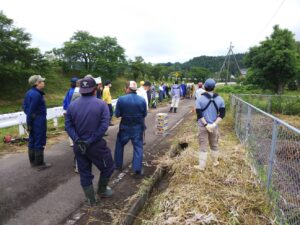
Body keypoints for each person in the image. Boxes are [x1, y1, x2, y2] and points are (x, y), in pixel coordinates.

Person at [65, 77, 114, 206]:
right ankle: (102, 190)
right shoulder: (101, 104)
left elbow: (68, 126)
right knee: (108, 166)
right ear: (94, 89)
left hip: (79, 146)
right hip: (96, 145)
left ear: (81, 90)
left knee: (84, 171)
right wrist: (89, 140)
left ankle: (90, 199)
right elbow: (104, 126)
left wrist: (77, 140)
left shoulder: (72, 105)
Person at [114, 81, 147, 177]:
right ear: (135, 89)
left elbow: (117, 115)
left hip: (125, 126)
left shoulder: (121, 99)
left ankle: (117, 165)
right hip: (137, 127)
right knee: (138, 147)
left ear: (127, 88)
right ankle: (137, 170)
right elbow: (144, 114)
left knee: (120, 144)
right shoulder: (141, 100)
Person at [194, 78, 226, 171]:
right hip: (214, 126)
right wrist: (214, 124)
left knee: (203, 145)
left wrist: (206, 125)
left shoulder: (200, 99)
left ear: (204, 87)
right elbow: (223, 114)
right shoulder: (220, 99)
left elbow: (199, 114)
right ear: (214, 87)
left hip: (203, 126)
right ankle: (215, 162)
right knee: (214, 144)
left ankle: (201, 166)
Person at [23, 75, 52, 170]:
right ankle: (39, 164)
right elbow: (31, 110)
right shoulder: (36, 95)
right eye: (42, 81)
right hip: (38, 121)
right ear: (37, 83)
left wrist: (29, 122)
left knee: (32, 140)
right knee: (39, 140)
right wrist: (30, 122)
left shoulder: (29, 93)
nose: (43, 82)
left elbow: (24, 107)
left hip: (34, 119)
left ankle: (33, 162)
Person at [63, 77, 78, 147]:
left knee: (70, 126)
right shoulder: (76, 91)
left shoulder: (69, 90)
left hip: (68, 110)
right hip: (74, 111)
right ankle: (75, 140)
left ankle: (71, 142)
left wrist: (65, 110)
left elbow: (65, 101)